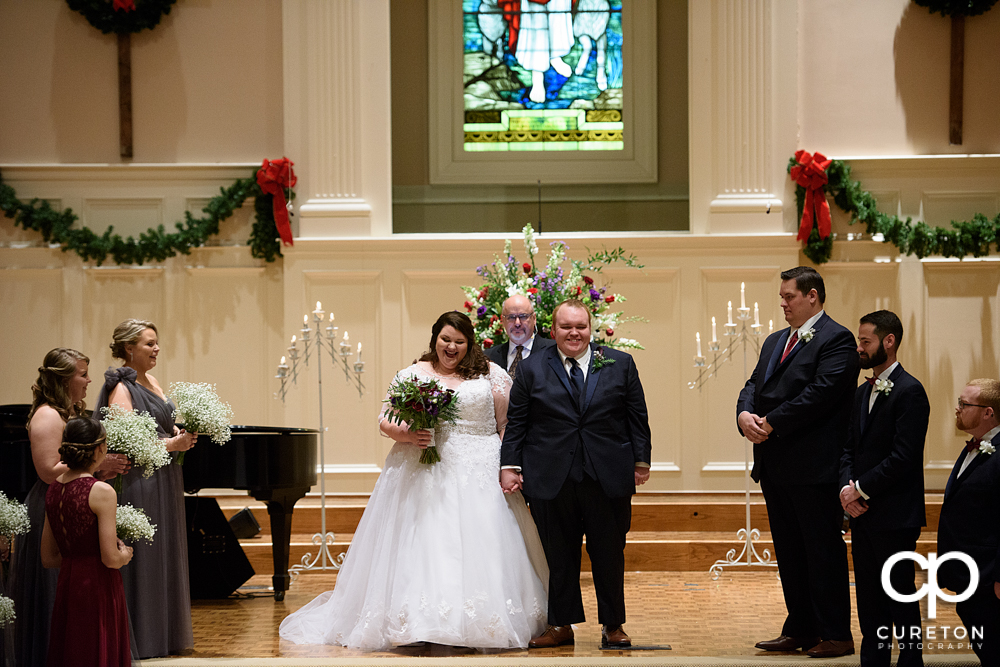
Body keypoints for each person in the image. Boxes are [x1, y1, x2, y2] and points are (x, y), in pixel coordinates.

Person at [279, 311, 548, 650]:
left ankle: (473, 624)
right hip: (423, 468)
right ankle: (414, 624)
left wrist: (507, 464)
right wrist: (407, 435)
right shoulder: (413, 374)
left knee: (482, 543)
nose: (451, 347)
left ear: (470, 344)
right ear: (435, 338)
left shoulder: (490, 374)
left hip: (479, 467)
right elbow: (385, 420)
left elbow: (507, 423)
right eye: (445, 339)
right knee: (424, 542)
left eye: (459, 342)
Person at [501, 298, 652, 649]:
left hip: (607, 475)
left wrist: (640, 461)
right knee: (558, 555)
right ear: (553, 330)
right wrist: (510, 466)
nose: (574, 333)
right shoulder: (532, 368)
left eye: (580, 326)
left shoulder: (620, 363)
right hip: (551, 477)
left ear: (590, 328)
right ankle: (561, 625)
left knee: (609, 554)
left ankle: (613, 625)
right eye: (566, 327)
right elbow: (518, 423)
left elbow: (636, 417)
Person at [736, 266, 858, 658]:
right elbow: (753, 385)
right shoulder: (774, 340)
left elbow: (821, 395)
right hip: (775, 465)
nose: (783, 303)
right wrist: (744, 416)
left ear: (813, 296)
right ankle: (801, 627)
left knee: (822, 551)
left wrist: (771, 422)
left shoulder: (837, 340)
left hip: (814, 466)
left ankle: (836, 632)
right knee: (790, 552)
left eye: (789, 296)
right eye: (782, 297)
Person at [9, 348, 127, 667]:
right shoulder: (48, 415)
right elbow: (49, 470)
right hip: (59, 499)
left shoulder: (70, 412)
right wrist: (98, 464)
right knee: (57, 587)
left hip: (78, 494)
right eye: (83, 374)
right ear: (63, 379)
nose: (89, 380)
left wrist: (98, 467)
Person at [94, 320, 196, 658]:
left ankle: (163, 635)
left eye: (156, 343)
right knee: (145, 557)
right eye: (149, 343)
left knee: (164, 552)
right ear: (128, 348)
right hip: (140, 483)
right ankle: (141, 637)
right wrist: (173, 444)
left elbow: (159, 426)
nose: (156, 349)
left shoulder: (150, 380)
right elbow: (130, 445)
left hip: (164, 479)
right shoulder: (120, 389)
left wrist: (180, 431)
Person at [839, 310, 928, 667]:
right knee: (869, 601)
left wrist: (859, 489)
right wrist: (847, 490)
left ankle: (910, 662)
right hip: (861, 515)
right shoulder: (862, 392)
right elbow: (848, 448)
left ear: (888, 342)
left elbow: (903, 457)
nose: (859, 348)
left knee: (900, 598)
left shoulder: (911, 391)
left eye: (865, 341)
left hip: (894, 516)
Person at [41, 416, 133, 667]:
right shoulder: (101, 491)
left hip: (69, 584)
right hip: (98, 585)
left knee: (73, 651)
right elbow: (110, 559)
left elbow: (48, 558)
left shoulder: (53, 488)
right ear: (99, 449)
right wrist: (125, 553)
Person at [936, 378, 1000, 666]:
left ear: (988, 412)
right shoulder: (975, 447)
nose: (957, 409)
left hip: (988, 572)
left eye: (964, 404)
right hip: (970, 570)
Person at [484, 294, 556, 380]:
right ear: (503, 321)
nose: (517, 323)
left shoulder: (553, 350)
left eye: (523, 316)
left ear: (534, 319)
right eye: (511, 317)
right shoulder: (488, 356)